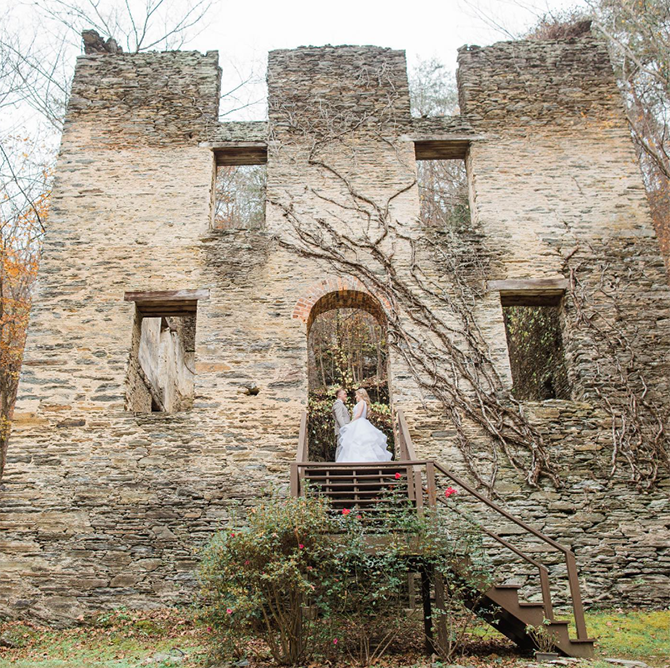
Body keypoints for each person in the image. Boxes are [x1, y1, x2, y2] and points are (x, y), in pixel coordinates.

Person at [336, 388, 392, 463]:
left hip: (359, 424)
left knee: (360, 443)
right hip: (359, 423)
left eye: (357, 395)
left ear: (360, 395)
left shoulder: (361, 402)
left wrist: (351, 423)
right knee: (357, 443)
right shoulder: (362, 403)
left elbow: (358, 414)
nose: (355, 397)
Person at [332, 387, 351, 460]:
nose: (346, 395)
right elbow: (339, 418)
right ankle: (338, 465)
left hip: (344, 429)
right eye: (344, 394)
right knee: (340, 446)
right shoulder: (337, 404)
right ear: (339, 395)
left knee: (344, 447)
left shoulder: (341, 404)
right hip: (342, 430)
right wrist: (344, 428)